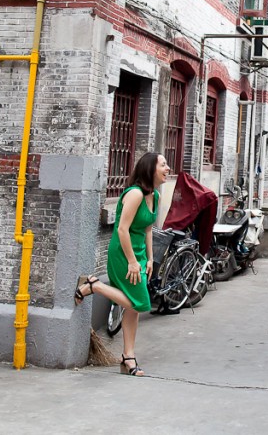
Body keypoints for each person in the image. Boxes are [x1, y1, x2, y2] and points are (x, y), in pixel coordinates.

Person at [75, 152, 170, 377]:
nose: (168, 169)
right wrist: (132, 262)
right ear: (150, 169)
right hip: (123, 253)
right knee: (140, 303)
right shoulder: (135, 194)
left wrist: (148, 259)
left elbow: (147, 228)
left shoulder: (154, 195)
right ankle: (94, 286)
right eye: (163, 165)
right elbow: (122, 229)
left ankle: (128, 357)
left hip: (139, 254)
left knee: (132, 307)